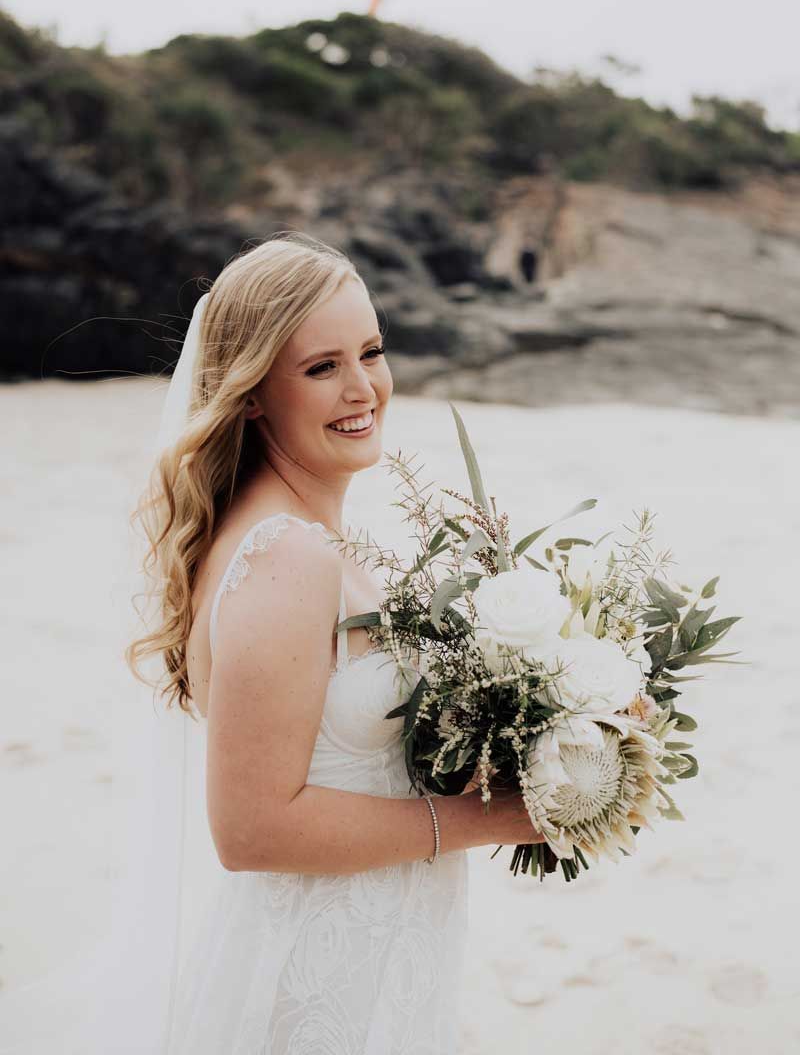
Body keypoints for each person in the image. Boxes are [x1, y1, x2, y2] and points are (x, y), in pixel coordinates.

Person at [0, 230, 541, 1054]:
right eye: (321, 368)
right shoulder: (285, 554)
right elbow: (250, 830)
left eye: (371, 351)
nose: (363, 387)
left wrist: (558, 736)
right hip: (313, 988)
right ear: (253, 392)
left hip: (381, 954)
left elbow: (353, 755)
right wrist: (492, 818)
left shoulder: (308, 540)